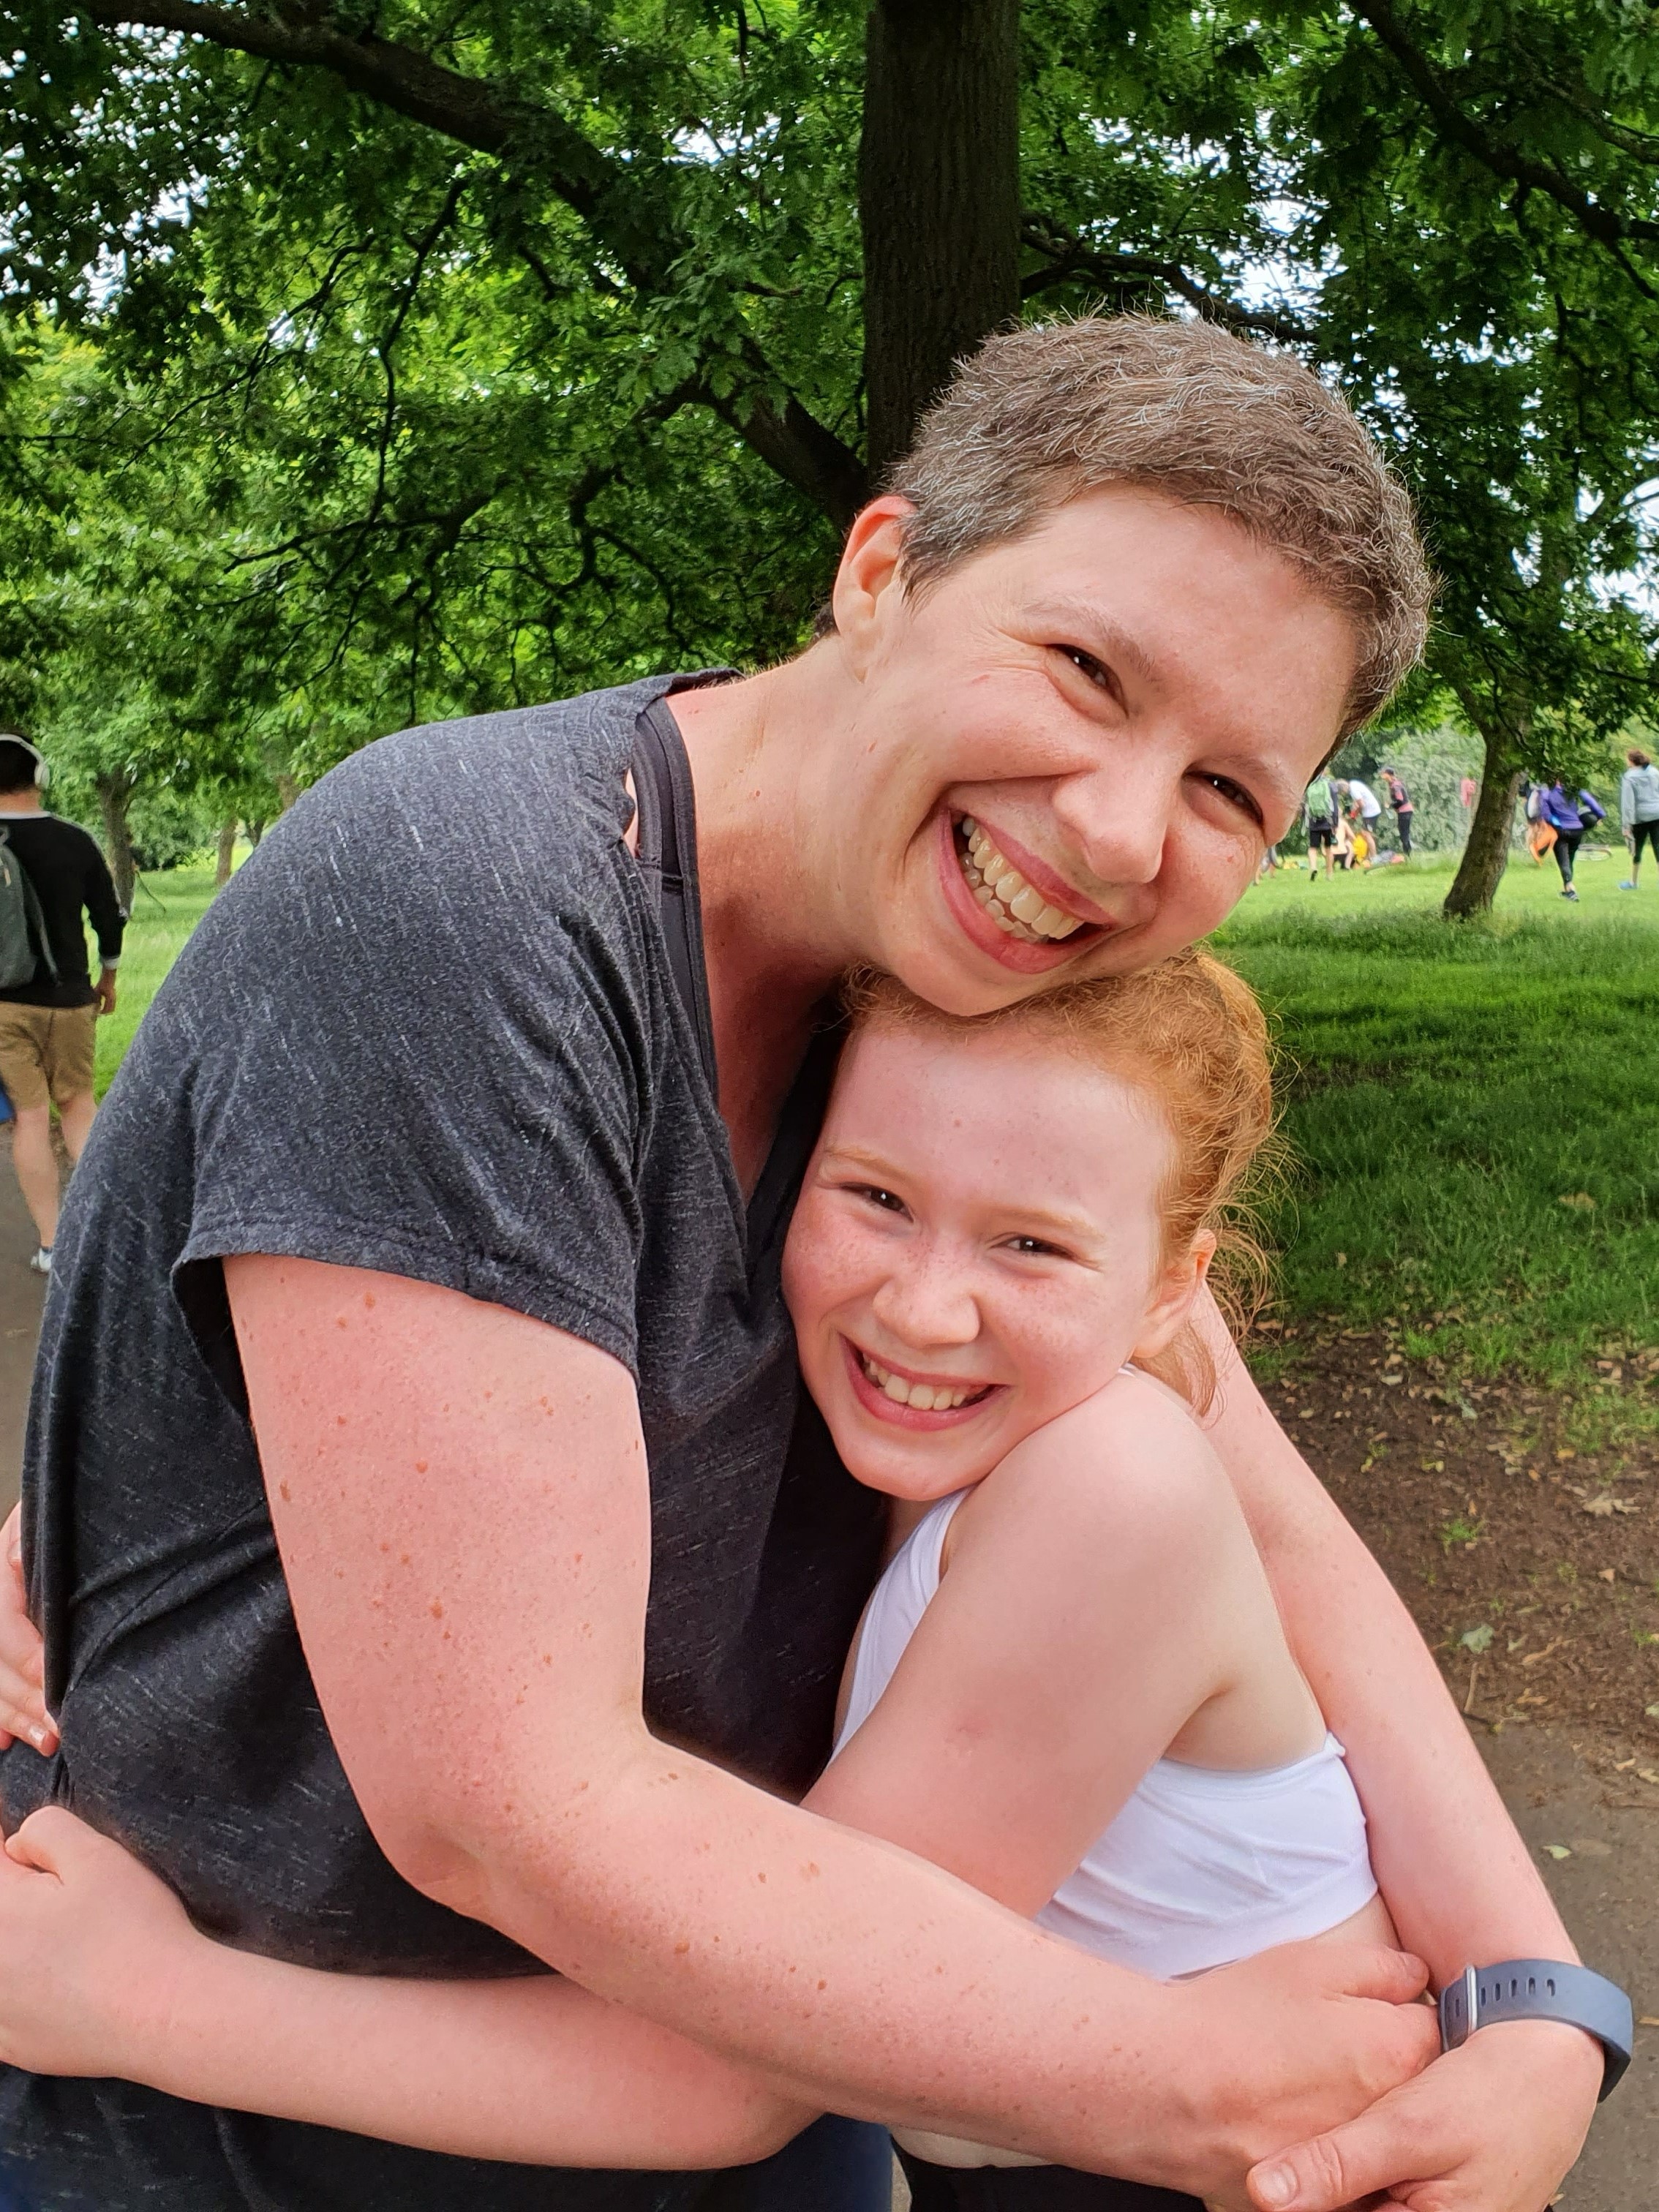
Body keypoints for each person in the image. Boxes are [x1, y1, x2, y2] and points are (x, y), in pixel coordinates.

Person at [0, 316, 1603, 2212]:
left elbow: (1259, 1504)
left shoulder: (965, 991)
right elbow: (512, 1816)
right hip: (281, 2136)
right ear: (877, 572)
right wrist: (1191, 2087)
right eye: (1085, 667)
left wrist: (1531, 2001)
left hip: (791, 2057)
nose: (1111, 828)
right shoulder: (478, 909)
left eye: (1229, 791)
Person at [0, 952, 1611, 2212]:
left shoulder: (1106, 1486)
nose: (924, 1308)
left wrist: (140, 2003)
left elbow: (739, 2066)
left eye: (1032, 1248)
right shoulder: (946, 1425)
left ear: (1173, 1287)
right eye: (877, 1199)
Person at [0, 734, 124, 1277]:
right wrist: (110, 975)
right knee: (77, 1106)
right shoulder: (74, 840)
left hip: (4, 1007)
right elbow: (108, 916)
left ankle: (53, 1245)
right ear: (39, 777)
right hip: (72, 999)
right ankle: (114, 1232)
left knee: (29, 1118)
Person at [1538, 780, 1605, 901]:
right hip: (1578, 830)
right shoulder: (1573, 790)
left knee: (1563, 861)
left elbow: (1547, 816)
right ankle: (1567, 891)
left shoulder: (1546, 793)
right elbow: (1590, 800)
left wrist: (1557, 824)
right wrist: (1600, 815)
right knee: (1570, 860)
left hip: (1562, 831)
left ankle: (1571, 889)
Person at [1619, 746, 1659, 889]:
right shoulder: (1654, 772)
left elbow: (1628, 804)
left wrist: (1626, 825)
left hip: (1640, 817)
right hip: (1657, 815)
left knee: (1637, 850)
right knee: (1658, 847)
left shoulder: (1629, 777)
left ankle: (1633, 882)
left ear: (1632, 761)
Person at [1336, 777, 1382, 865]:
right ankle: (1370, 856)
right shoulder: (1353, 784)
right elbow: (1357, 802)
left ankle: (1374, 858)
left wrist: (1354, 815)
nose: (1343, 794)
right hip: (1370, 811)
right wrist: (1353, 811)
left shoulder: (1353, 790)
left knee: (1366, 834)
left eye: (1342, 792)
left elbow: (1362, 805)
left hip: (1371, 812)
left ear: (1343, 788)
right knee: (1366, 834)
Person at [1301, 773, 1337, 880]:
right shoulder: (1330, 785)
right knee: (1328, 848)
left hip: (1314, 821)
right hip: (1328, 821)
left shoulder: (1309, 784)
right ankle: (1329, 874)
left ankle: (1313, 868)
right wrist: (1335, 823)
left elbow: (1304, 804)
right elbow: (1334, 805)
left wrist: (1305, 819)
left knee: (1313, 847)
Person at [1380, 767, 1413, 856]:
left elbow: (1400, 800)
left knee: (1404, 835)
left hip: (1405, 812)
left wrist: (1390, 805)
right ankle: (1409, 855)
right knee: (1404, 835)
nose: (1382, 775)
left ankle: (1408, 856)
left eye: (1384, 773)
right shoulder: (1393, 784)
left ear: (1389, 775)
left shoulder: (1395, 785)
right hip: (1404, 812)